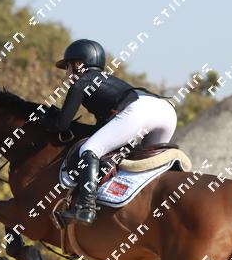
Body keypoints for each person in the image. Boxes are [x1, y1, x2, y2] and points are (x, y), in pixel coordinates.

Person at [42, 39, 177, 225]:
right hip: (165, 110)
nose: (67, 73)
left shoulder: (81, 83)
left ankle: (85, 207)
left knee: (90, 150)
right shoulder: (108, 82)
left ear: (79, 64)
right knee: (148, 169)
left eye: (68, 66)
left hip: (140, 110)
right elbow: (104, 129)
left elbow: (61, 125)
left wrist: (41, 119)